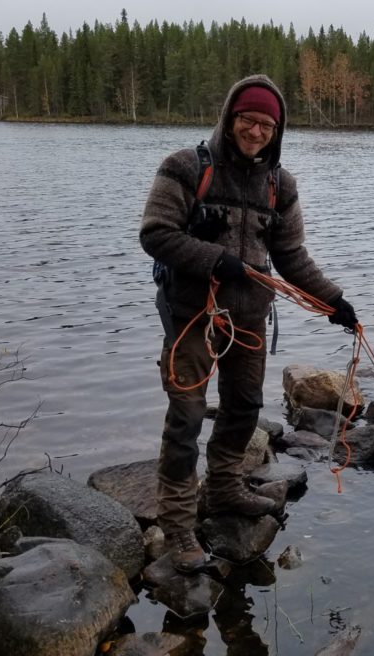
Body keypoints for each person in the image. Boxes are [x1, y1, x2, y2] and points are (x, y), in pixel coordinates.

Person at [140, 74, 357, 573]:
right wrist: (216, 259)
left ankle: (225, 490)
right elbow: (155, 234)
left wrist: (335, 302)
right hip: (191, 313)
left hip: (250, 316)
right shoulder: (183, 167)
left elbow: (292, 256)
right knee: (188, 415)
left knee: (244, 406)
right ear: (229, 117)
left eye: (266, 124)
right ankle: (176, 524)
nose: (256, 131)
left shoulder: (282, 185)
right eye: (248, 120)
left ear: (277, 131)